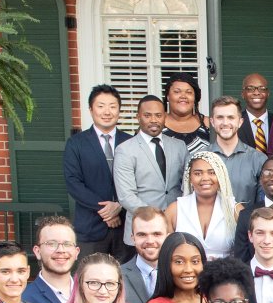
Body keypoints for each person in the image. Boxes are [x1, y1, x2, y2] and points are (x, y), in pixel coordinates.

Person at [63, 85, 130, 260]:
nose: (107, 111)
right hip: (90, 227)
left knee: (126, 280)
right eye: (101, 106)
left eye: (112, 106)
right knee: (90, 278)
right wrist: (107, 210)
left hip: (126, 227)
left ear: (119, 110)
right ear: (91, 110)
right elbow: (73, 183)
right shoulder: (76, 143)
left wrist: (119, 205)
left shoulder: (131, 142)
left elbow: (139, 180)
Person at [113, 95, 187, 245]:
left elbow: (187, 186)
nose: (153, 120)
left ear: (165, 117)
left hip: (175, 228)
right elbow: (126, 196)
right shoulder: (125, 150)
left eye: (158, 115)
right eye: (147, 115)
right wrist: (156, 217)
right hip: (142, 230)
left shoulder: (179, 146)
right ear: (138, 117)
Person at [164, 151, 244, 261]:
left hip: (226, 274)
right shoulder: (175, 210)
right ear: (190, 178)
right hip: (186, 274)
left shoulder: (235, 209)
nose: (205, 178)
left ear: (221, 176)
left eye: (212, 173)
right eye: (198, 173)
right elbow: (166, 252)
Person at [206, 96, 268, 205]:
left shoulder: (258, 160)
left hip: (245, 221)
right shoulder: (199, 158)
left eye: (231, 117)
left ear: (240, 122)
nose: (225, 123)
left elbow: (262, 204)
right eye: (220, 117)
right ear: (212, 121)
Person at [23, 216, 81, 303]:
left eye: (67, 244)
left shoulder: (89, 292)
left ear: (76, 252)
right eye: (51, 244)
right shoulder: (24, 299)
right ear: (37, 251)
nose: (61, 250)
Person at [120, 207, 168, 303]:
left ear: (167, 237)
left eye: (156, 234)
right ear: (133, 238)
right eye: (142, 235)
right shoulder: (117, 276)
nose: (150, 241)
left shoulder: (179, 274)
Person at [162, 73, 211, 155]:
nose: (183, 96)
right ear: (168, 96)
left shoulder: (207, 123)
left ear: (195, 98)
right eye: (177, 92)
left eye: (189, 92)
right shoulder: (157, 123)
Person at [238, 72, 271, 153]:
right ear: (243, 94)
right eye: (250, 89)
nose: (256, 93)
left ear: (268, 94)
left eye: (262, 89)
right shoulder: (235, 123)